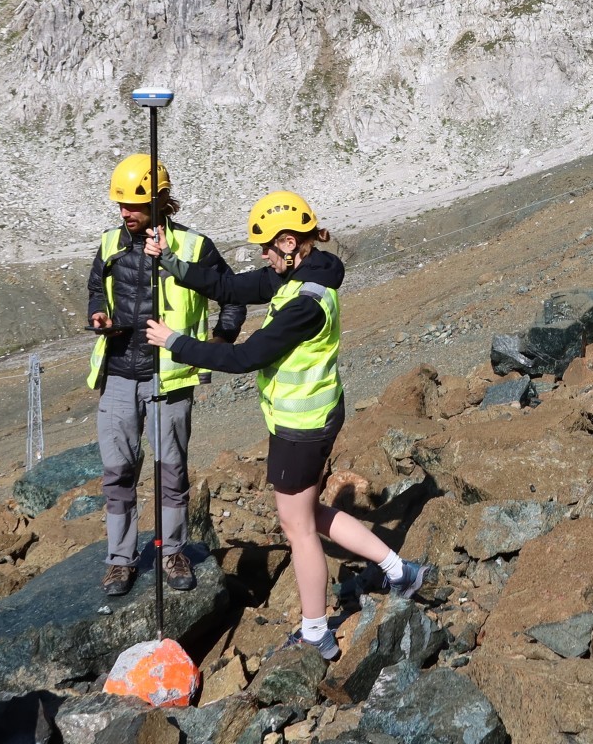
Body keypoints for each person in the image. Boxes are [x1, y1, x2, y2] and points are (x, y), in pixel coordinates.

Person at [145, 189, 424, 659]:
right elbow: (230, 288)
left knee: (298, 529)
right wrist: (172, 262)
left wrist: (174, 341)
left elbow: (246, 356)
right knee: (308, 514)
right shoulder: (298, 277)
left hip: (301, 428)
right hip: (312, 418)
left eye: (266, 246)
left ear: (290, 243)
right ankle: (399, 570)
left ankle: (316, 631)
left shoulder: (305, 302)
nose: (262, 255)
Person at [87, 155, 246, 598]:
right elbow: (95, 288)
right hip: (119, 373)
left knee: (171, 471)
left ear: (159, 202)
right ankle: (120, 561)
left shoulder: (194, 248)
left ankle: (173, 550)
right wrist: (98, 313)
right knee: (118, 472)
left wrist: (221, 340)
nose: (124, 212)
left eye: (133, 205)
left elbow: (231, 298)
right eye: (119, 204)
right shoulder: (108, 244)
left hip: (170, 378)